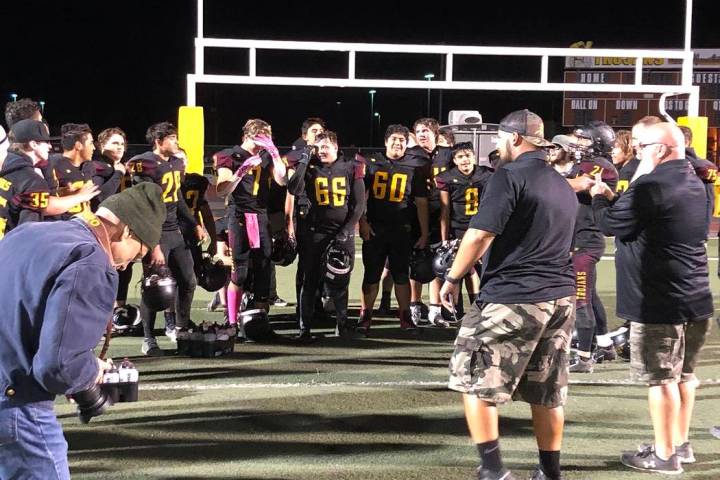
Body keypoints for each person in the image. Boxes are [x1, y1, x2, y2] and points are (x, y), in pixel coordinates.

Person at [441, 109, 577, 480]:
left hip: (515, 295)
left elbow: (480, 234)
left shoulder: (509, 176)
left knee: (474, 379)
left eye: (501, 138)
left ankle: (493, 470)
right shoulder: (561, 183)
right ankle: (549, 472)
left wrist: (452, 278)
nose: (498, 145)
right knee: (546, 391)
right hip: (561, 298)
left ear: (515, 138)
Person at [0, 182, 165, 480]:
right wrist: (90, 371)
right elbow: (59, 367)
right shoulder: (90, 261)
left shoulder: (29, 232)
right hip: (15, 402)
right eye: (136, 255)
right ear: (126, 231)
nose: (127, 264)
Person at [591, 122, 713, 475]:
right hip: (696, 296)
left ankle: (664, 456)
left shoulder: (652, 183)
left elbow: (612, 224)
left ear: (659, 150)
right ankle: (679, 444)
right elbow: (648, 217)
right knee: (685, 376)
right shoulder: (697, 180)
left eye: (642, 146)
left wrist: (601, 196)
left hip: (659, 299)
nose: (638, 152)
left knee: (661, 381)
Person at [128, 122, 204, 354]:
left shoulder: (174, 163)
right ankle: (149, 338)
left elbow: (178, 198)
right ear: (158, 141)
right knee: (154, 286)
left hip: (174, 231)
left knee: (188, 280)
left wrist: (193, 224)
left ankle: (180, 328)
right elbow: (145, 206)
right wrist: (153, 244)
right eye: (171, 138)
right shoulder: (145, 163)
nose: (176, 142)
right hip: (155, 231)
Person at [549, 125, 618, 373]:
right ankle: (605, 344)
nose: (578, 143)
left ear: (597, 143)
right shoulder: (588, 164)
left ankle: (585, 358)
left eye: (583, 140)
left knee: (580, 300)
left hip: (584, 241)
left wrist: (548, 179)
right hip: (582, 239)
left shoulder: (598, 166)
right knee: (590, 295)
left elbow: (579, 184)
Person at [287, 131, 365, 339]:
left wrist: (347, 230)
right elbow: (293, 188)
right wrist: (304, 160)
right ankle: (305, 329)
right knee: (309, 281)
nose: (322, 151)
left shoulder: (351, 167)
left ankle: (342, 324)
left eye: (326, 147)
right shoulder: (310, 167)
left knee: (341, 279)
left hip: (341, 233)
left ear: (336, 147)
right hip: (314, 233)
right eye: (319, 147)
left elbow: (358, 205)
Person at [215, 119, 287, 335]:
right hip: (239, 216)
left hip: (261, 216)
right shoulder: (230, 155)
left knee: (265, 268)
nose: (266, 141)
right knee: (240, 271)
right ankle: (232, 321)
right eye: (263, 136)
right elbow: (222, 191)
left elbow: (282, 181)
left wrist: (274, 154)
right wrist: (241, 172)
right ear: (249, 135)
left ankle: (260, 322)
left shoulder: (267, 155)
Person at [358, 124, 430, 333]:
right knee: (371, 275)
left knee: (401, 275)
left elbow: (421, 202)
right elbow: (361, 196)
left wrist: (424, 233)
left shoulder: (414, 166)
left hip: (402, 230)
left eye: (402, 140)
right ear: (386, 141)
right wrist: (362, 221)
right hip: (376, 229)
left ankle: (405, 318)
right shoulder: (373, 163)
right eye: (394, 140)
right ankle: (365, 316)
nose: (398, 144)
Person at [435, 141, 493, 322]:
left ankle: (481, 307)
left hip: (481, 229)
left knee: (483, 271)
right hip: (458, 231)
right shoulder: (447, 177)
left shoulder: (486, 175)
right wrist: (445, 239)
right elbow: (445, 210)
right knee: (456, 271)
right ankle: (453, 311)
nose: (465, 160)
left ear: (474, 156)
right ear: (454, 159)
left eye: (467, 155)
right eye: (460, 156)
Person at [407, 118, 448, 326]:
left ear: (436, 133)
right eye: (418, 131)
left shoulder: (447, 154)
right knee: (417, 263)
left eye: (426, 131)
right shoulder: (412, 156)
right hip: (416, 214)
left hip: (441, 213)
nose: (422, 134)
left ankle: (435, 309)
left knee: (439, 263)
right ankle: (414, 306)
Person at [615, 116, 661, 194]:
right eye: (633, 139)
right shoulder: (630, 170)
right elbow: (622, 202)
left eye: (636, 139)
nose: (633, 144)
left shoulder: (672, 168)